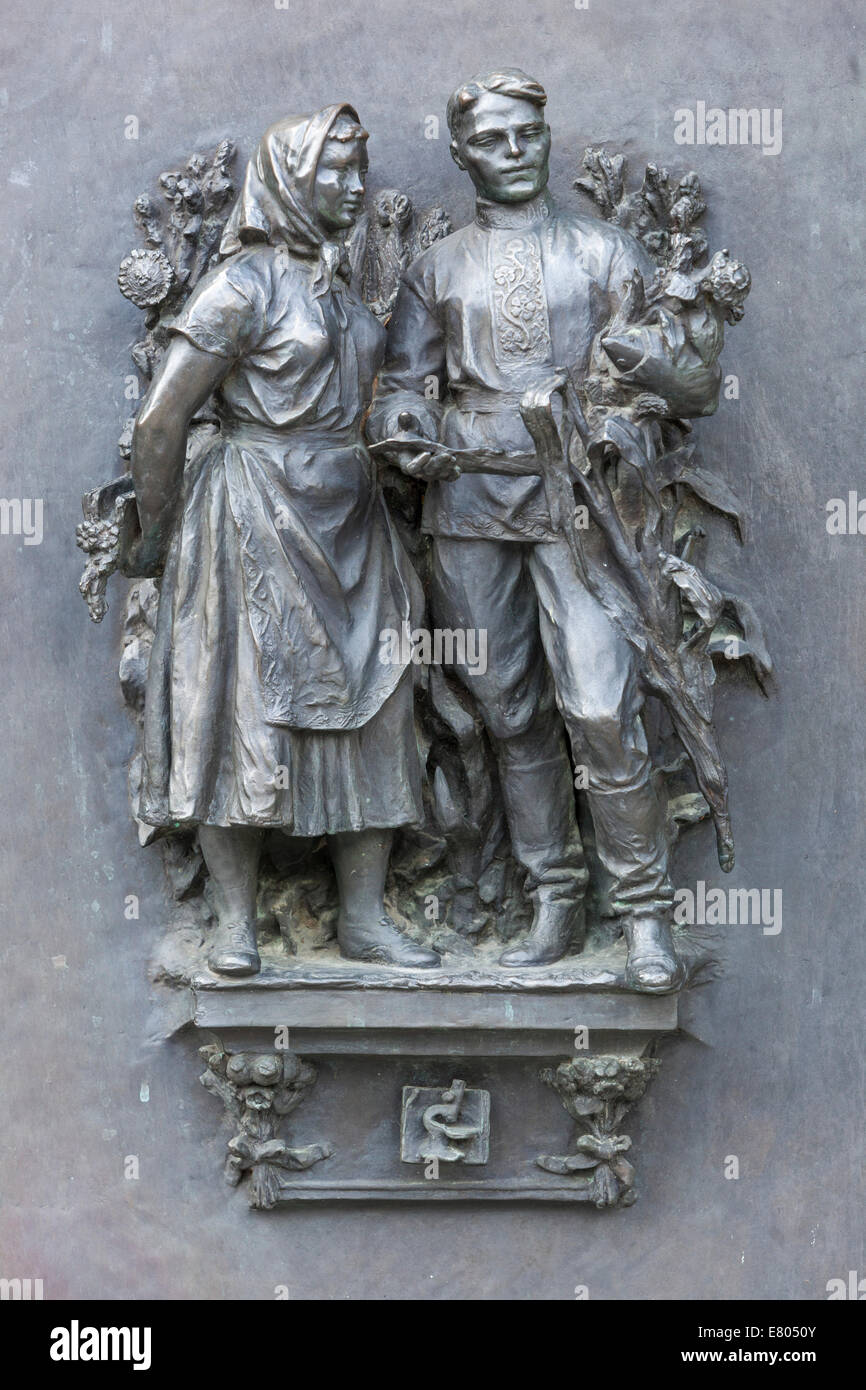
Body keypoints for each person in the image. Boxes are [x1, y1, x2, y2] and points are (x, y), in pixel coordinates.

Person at [367, 70, 721, 989]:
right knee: (507, 708)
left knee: (600, 708)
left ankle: (643, 914)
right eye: (493, 140)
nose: (515, 152)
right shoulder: (434, 268)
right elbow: (403, 386)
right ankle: (556, 894)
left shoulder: (608, 256)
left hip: (579, 509)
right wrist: (407, 433)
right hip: (471, 508)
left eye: (528, 133)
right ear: (462, 154)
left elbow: (678, 387)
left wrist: (624, 418)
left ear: (546, 136)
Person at [122, 106, 439, 975]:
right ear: (290, 180)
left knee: (377, 700)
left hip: (350, 514)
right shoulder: (243, 285)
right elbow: (161, 419)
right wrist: (157, 536)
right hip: (251, 511)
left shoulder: (339, 285)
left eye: (358, 169)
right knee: (239, 705)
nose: (352, 186)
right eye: (333, 170)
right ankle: (235, 922)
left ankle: (365, 917)